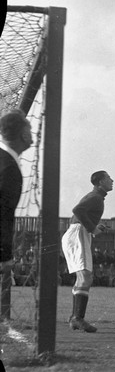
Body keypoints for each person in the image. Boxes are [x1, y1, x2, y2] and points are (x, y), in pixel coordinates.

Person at [60, 170, 114, 332]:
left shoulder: (97, 197)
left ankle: (74, 317)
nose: (112, 180)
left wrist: (95, 227)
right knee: (86, 277)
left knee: (82, 278)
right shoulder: (96, 197)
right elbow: (77, 210)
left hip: (77, 233)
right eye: (109, 178)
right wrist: (91, 227)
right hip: (79, 233)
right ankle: (78, 318)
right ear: (100, 182)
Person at [0, 109, 33, 323]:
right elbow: (3, 215)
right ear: (22, 134)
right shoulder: (9, 168)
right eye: (29, 129)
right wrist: (5, 256)